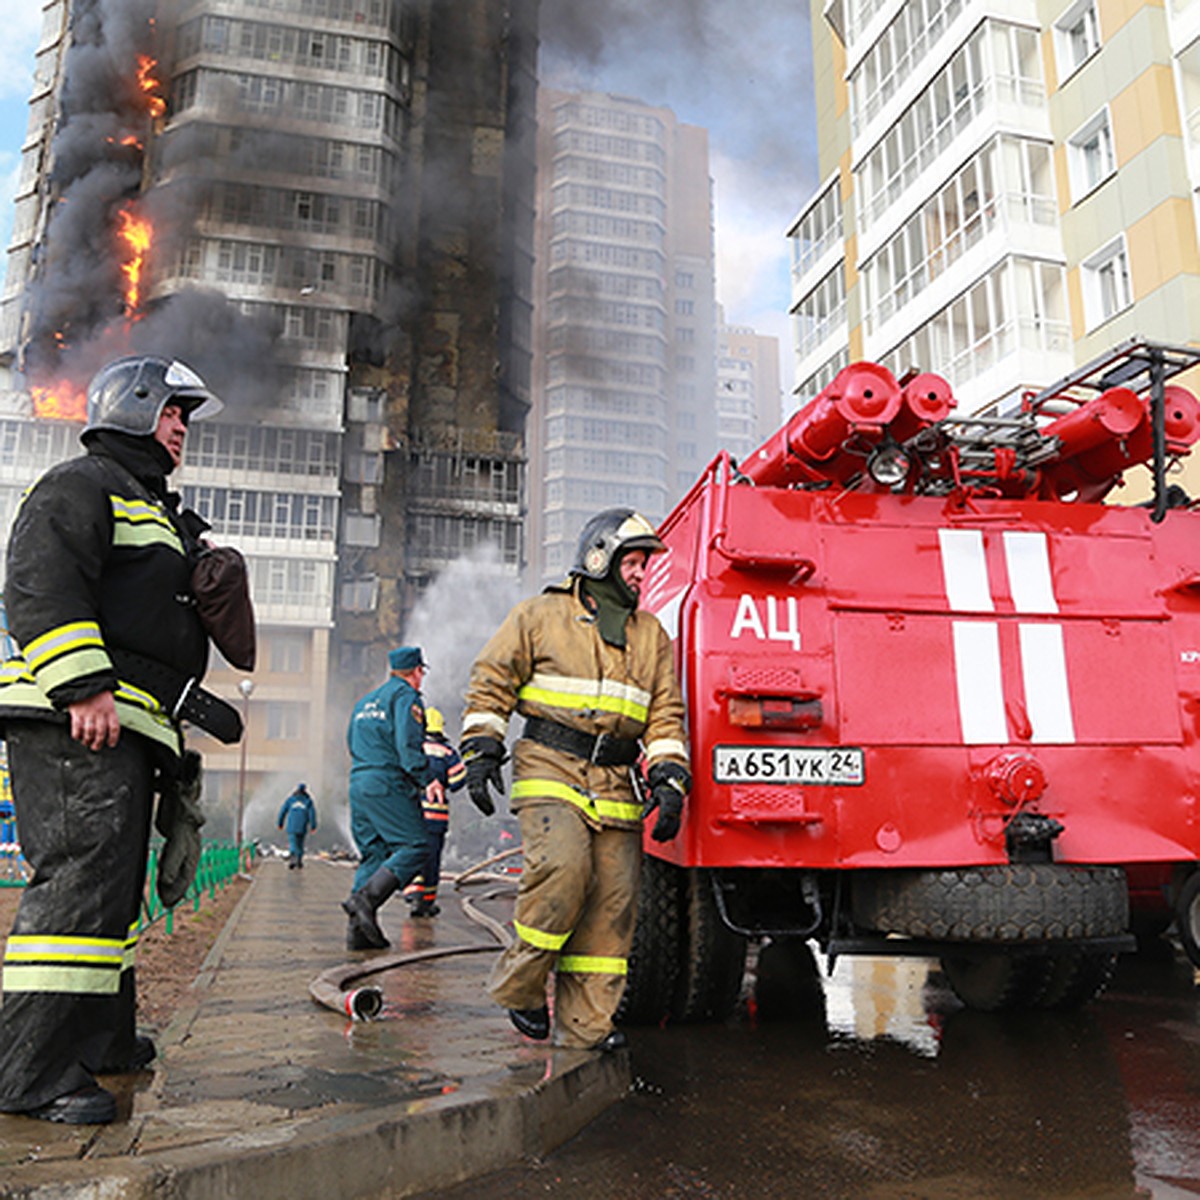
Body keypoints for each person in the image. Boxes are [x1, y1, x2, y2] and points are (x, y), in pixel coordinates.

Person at [0, 355, 226, 1124]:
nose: (181, 429)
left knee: (110, 894)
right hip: (76, 718)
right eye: (171, 412)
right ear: (130, 409)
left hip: (123, 723)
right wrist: (82, 685)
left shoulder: (149, 504)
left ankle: (101, 1042)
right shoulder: (81, 484)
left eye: (185, 419)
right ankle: (30, 1075)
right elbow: (37, 580)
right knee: (77, 884)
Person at [460, 507, 690, 1052]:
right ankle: (521, 987)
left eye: (643, 564)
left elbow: (665, 715)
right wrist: (482, 747)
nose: (640, 572)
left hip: (615, 781)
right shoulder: (540, 615)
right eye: (632, 561)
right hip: (550, 767)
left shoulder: (651, 635)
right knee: (563, 870)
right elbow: (492, 677)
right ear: (599, 558)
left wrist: (669, 780)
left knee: (614, 904)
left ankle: (585, 1029)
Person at [342, 645, 432, 950]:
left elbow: (351, 743)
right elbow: (408, 745)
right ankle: (364, 900)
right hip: (388, 781)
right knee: (416, 845)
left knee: (374, 853)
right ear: (416, 671)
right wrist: (426, 779)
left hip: (359, 782)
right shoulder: (406, 697)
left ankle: (358, 935)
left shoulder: (364, 701)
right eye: (422, 673)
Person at [410, 706, 466, 917]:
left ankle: (413, 896)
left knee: (412, 854)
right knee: (432, 859)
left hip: (413, 813)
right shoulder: (448, 752)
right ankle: (426, 903)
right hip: (436, 817)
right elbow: (458, 782)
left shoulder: (413, 747)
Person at [277, 782, 317, 869]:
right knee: (300, 844)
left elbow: (283, 812)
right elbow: (312, 814)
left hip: (291, 826)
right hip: (302, 826)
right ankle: (299, 860)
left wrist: (280, 823)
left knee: (293, 843)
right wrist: (313, 826)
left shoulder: (290, 800)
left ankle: (293, 858)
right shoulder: (308, 801)